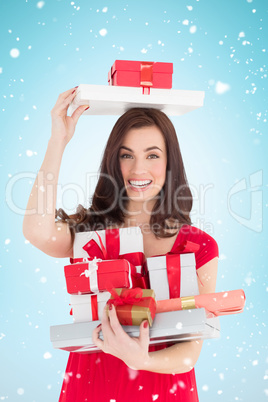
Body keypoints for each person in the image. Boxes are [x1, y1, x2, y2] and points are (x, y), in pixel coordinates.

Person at [23, 87, 219, 402]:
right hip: (90, 390)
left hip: (164, 393)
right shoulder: (89, 235)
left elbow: (189, 351)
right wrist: (58, 140)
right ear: (114, 161)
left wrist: (141, 360)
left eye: (152, 155)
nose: (138, 169)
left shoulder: (198, 246)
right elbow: (37, 232)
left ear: (170, 163)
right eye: (126, 155)